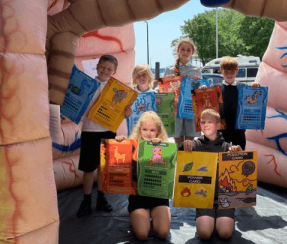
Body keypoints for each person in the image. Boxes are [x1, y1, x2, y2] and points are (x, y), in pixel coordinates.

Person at [77, 54, 133, 217]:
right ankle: (86, 201)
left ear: (114, 72)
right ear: (97, 66)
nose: (105, 70)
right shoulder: (88, 85)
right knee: (88, 169)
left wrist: (126, 113)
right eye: (103, 67)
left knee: (103, 168)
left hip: (108, 131)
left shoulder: (118, 90)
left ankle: (101, 199)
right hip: (89, 131)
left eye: (110, 69)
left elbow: (120, 112)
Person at [181, 109, 242, 240]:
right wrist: (184, 144)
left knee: (225, 234)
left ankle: (226, 217)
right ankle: (207, 217)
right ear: (199, 124)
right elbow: (179, 154)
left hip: (225, 198)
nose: (206, 125)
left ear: (219, 126)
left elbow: (241, 171)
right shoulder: (195, 145)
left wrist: (239, 153)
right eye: (203, 122)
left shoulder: (227, 148)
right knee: (204, 234)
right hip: (203, 198)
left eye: (210, 122)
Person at [115, 111, 171, 240]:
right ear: (139, 130)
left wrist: (160, 148)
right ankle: (141, 219)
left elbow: (170, 169)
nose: (148, 133)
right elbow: (120, 160)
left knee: (163, 233)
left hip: (159, 197)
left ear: (158, 132)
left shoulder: (165, 146)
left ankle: (152, 218)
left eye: (152, 130)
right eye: (145, 129)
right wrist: (120, 143)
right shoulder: (132, 145)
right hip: (138, 198)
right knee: (142, 235)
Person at [164, 38, 201, 146]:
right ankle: (178, 161)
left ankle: (188, 161)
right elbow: (165, 92)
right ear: (177, 50)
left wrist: (198, 83)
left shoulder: (196, 70)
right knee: (178, 141)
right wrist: (168, 81)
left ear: (192, 53)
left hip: (190, 108)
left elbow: (199, 91)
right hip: (175, 108)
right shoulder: (169, 69)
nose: (185, 52)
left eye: (188, 50)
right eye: (183, 49)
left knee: (189, 142)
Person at [219, 57, 260, 150]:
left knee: (239, 156)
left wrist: (255, 87)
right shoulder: (216, 89)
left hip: (239, 130)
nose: (229, 75)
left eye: (232, 72)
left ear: (236, 71)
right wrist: (203, 89)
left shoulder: (244, 88)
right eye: (226, 72)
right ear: (221, 71)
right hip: (222, 131)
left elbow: (255, 98)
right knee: (221, 157)